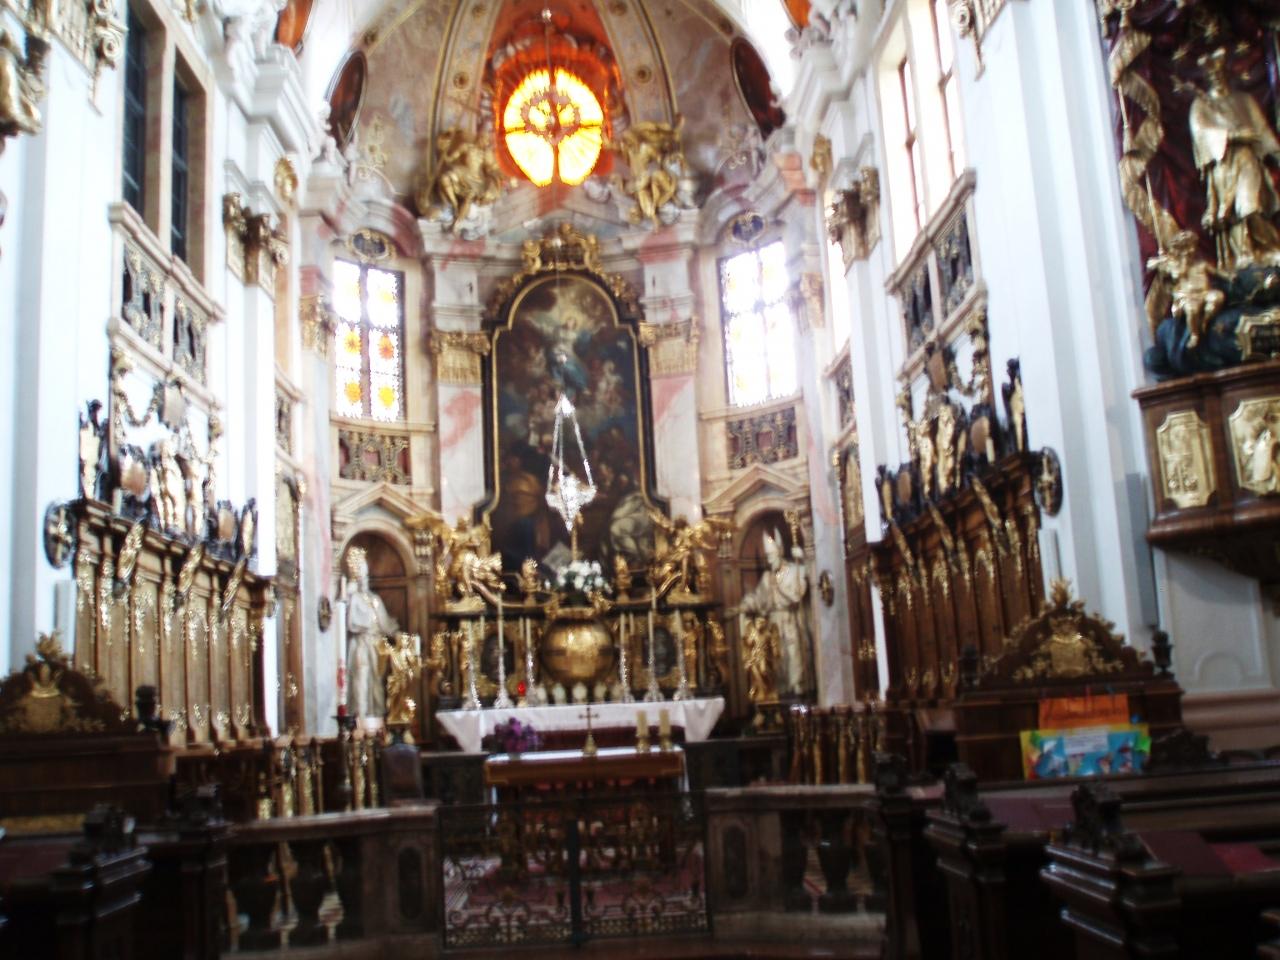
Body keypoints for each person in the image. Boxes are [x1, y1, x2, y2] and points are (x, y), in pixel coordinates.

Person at [1189, 48, 1280, 270]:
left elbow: (1263, 131)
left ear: (1226, 74)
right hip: (1224, 166)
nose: (1216, 78)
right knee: (1234, 213)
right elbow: (1201, 132)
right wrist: (1234, 135)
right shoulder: (1200, 105)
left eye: (1220, 74)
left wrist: (1276, 153)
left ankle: (1267, 247)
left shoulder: (1244, 100)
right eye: (1212, 76)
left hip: (1248, 160)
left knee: (1251, 206)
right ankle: (1245, 253)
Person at [738, 530, 812, 696]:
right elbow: (758, 598)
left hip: (790, 618)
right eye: (767, 556)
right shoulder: (767, 577)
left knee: (794, 652)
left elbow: (804, 586)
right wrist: (744, 606)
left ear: (780, 552)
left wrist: (803, 559)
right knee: (778, 655)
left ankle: (798, 687)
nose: (769, 560)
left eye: (771, 555)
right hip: (773, 622)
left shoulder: (795, 570)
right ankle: (782, 689)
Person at [344, 547, 398, 719]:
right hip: (361, 644)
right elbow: (350, 621)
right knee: (361, 679)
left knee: (376, 682)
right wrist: (348, 592)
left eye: (366, 574)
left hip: (376, 645)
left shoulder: (374, 599)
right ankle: (360, 717)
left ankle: (376, 716)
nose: (364, 579)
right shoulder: (353, 598)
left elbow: (386, 624)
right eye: (361, 575)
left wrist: (398, 635)